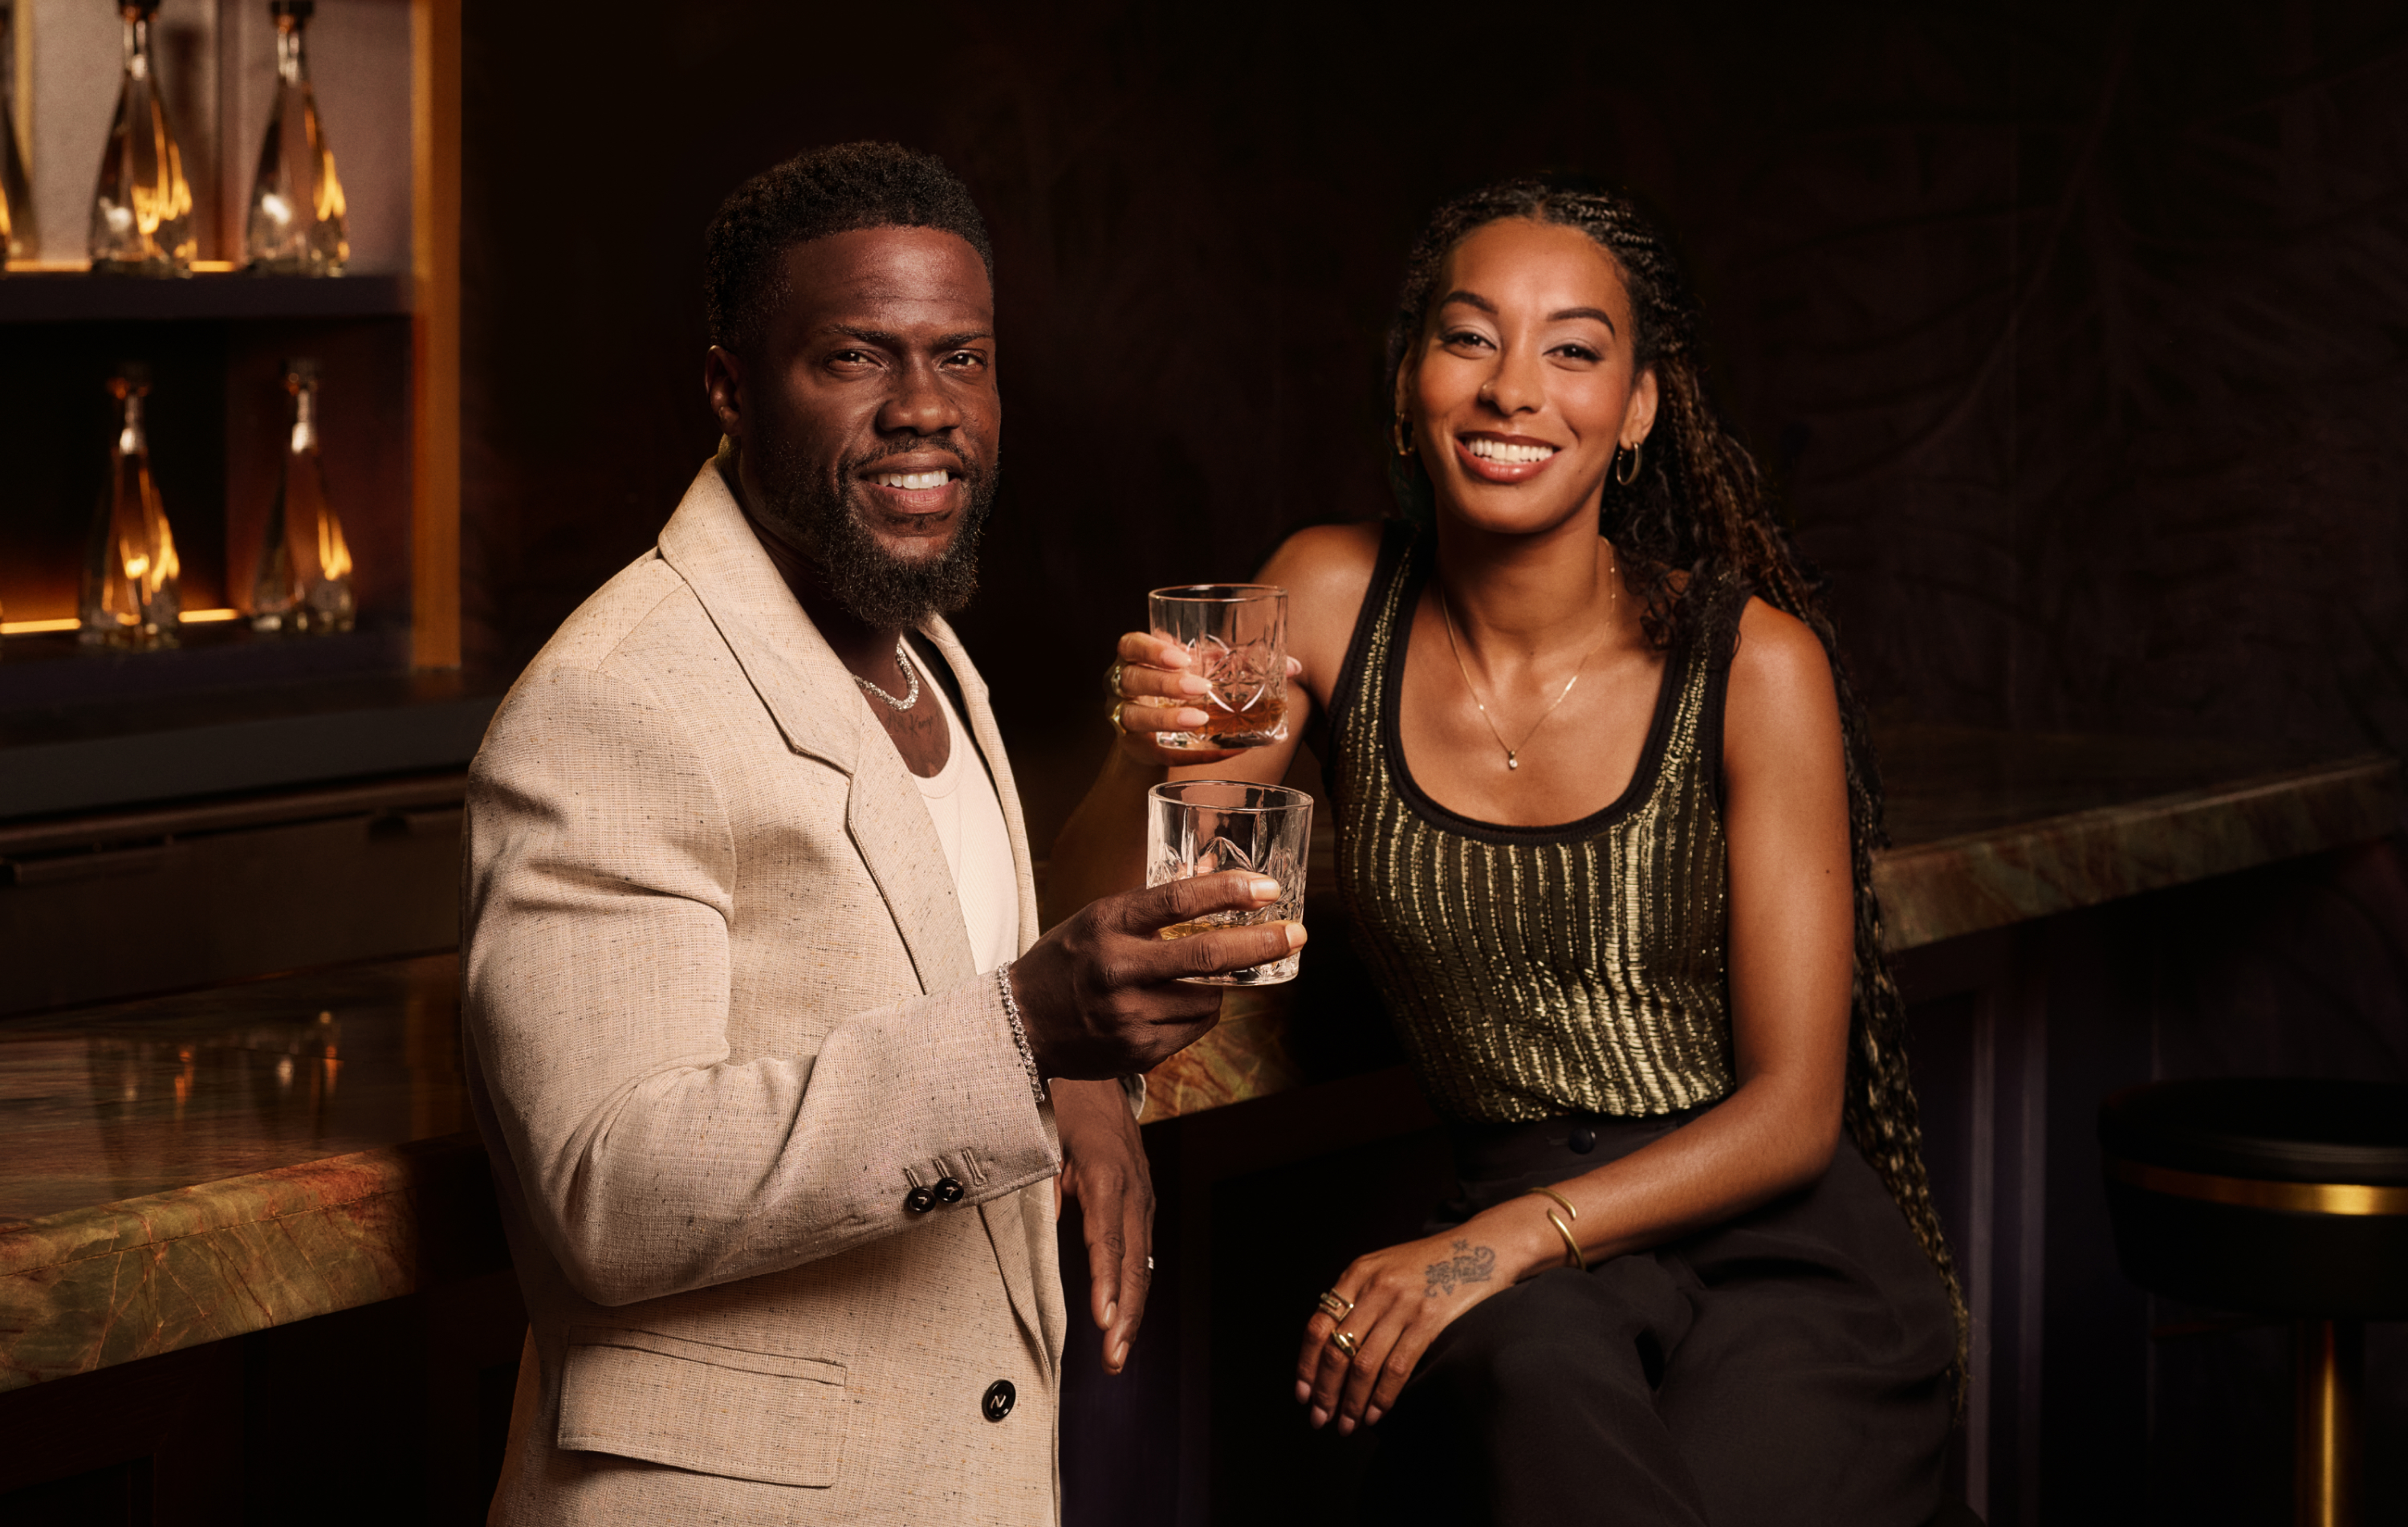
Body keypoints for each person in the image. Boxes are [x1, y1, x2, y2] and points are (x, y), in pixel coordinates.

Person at [1047, 177, 1963, 1523]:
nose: (1513, 390)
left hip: (1765, 1248)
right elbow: (1114, 918)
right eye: (1471, 337)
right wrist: (1143, 751)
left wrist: (1489, 1246)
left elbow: (1792, 1112)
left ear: (1640, 406)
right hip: (1520, 1259)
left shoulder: (1753, 663)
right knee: (1523, 1379)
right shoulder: (1330, 595)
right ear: (1414, 374)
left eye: (1574, 348)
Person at [462, 142, 1303, 1526]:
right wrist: (1030, 1038)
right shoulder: (615, 703)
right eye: (856, 357)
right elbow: (607, 1186)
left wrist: (1076, 1080)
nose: (927, 409)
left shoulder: (921, 652)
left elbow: (920, 977)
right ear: (731, 387)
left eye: (962, 358)